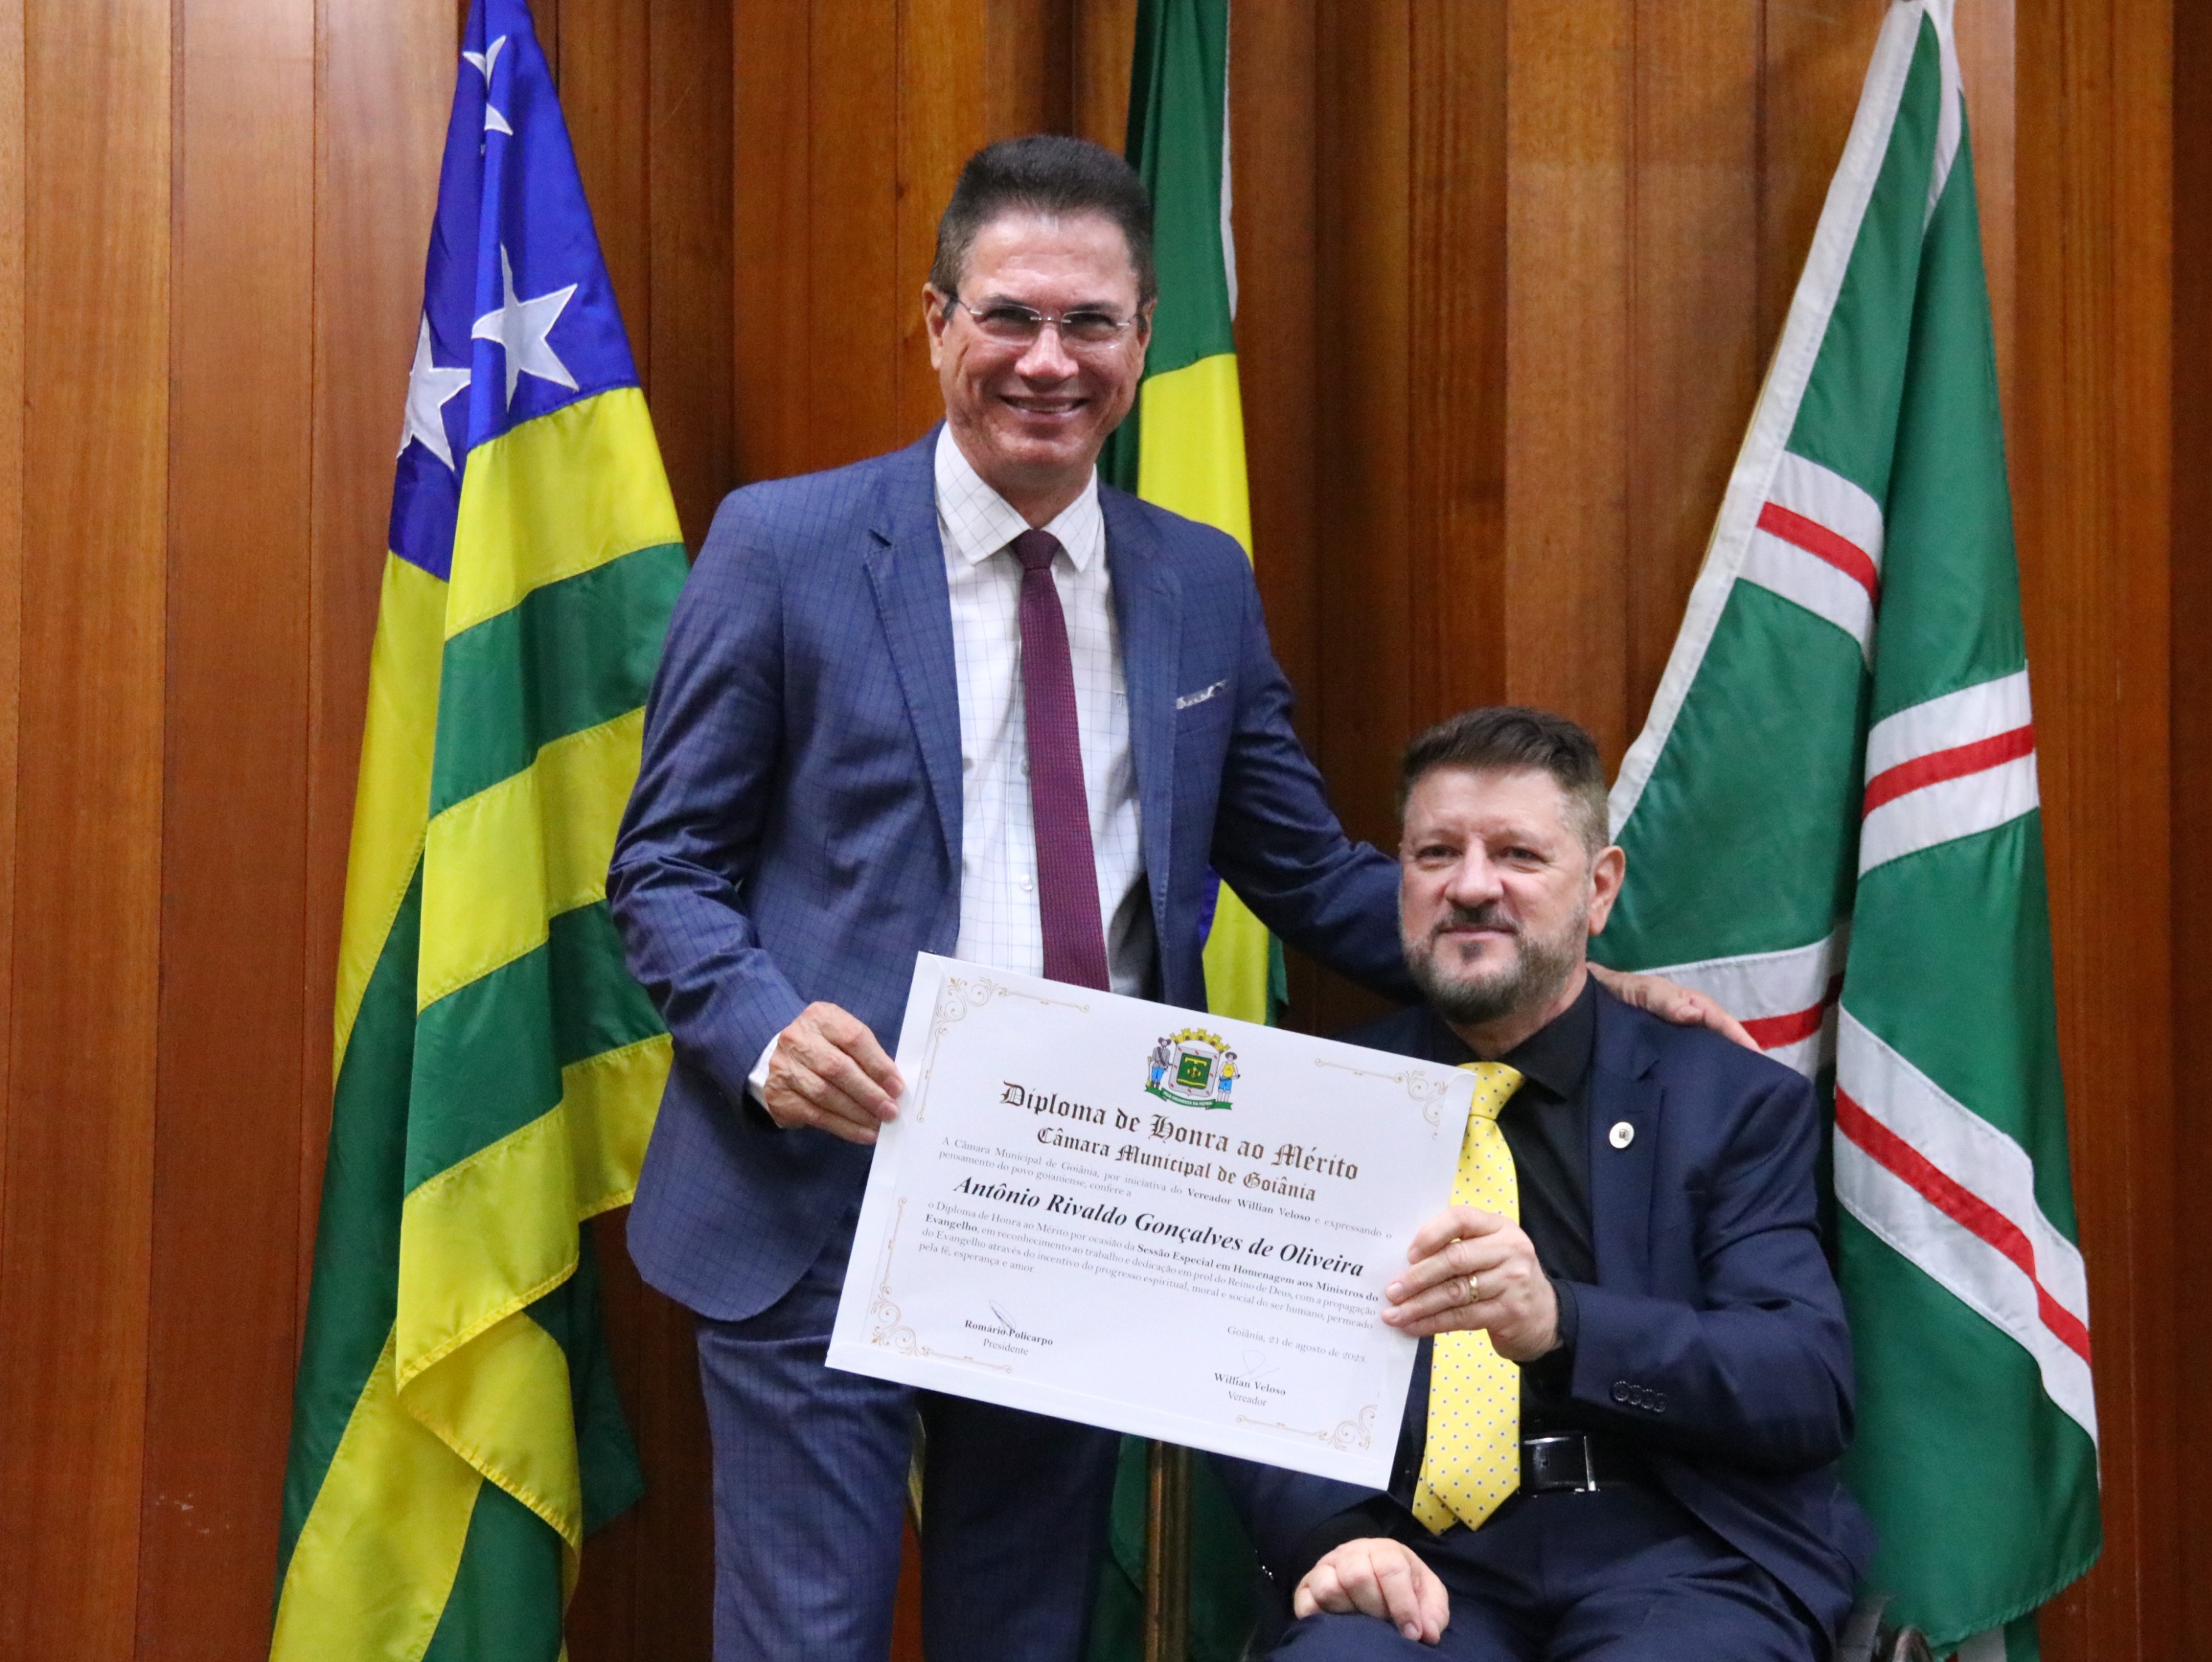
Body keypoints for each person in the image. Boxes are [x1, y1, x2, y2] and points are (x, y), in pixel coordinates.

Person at [609, 136, 1744, 1662]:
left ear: (1143, 341)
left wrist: (1564, 985)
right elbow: (663, 868)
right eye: (1009, 316)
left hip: (1089, 1194)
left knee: (1025, 1635)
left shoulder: (1198, 581)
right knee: (805, 1640)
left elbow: (1311, 873)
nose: (1048, 360)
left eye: (1090, 323)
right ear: (936, 322)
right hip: (822, 1192)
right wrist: (764, 1036)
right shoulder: (784, 546)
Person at [1215, 706, 1872, 1661]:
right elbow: (1244, 1369)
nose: (1471, 886)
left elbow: (1804, 1381)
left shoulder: (1729, 1101)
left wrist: (1564, 1324)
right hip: (1417, 1556)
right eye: (1436, 854)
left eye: (1518, 855)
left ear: (1599, 889)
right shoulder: (1319, 1100)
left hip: (1678, 1550)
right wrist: (1335, 1535)